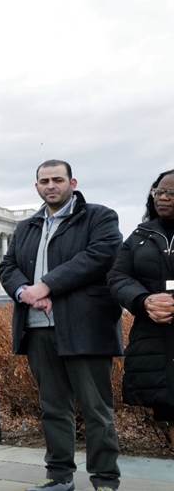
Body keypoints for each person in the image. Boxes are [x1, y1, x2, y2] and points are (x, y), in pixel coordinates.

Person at [0, 160, 123, 491]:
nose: (50, 185)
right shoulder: (26, 226)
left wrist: (47, 285)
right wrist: (25, 292)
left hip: (85, 327)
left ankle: (105, 479)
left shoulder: (99, 217)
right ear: (36, 186)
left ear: (73, 182)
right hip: (38, 327)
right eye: (44, 181)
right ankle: (59, 477)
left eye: (57, 179)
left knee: (96, 410)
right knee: (53, 408)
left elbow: (99, 256)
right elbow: (8, 265)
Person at [108, 169, 174, 448]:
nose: (164, 198)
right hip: (155, 340)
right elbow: (117, 277)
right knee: (167, 412)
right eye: (159, 192)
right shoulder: (141, 235)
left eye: (171, 194)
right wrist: (143, 300)